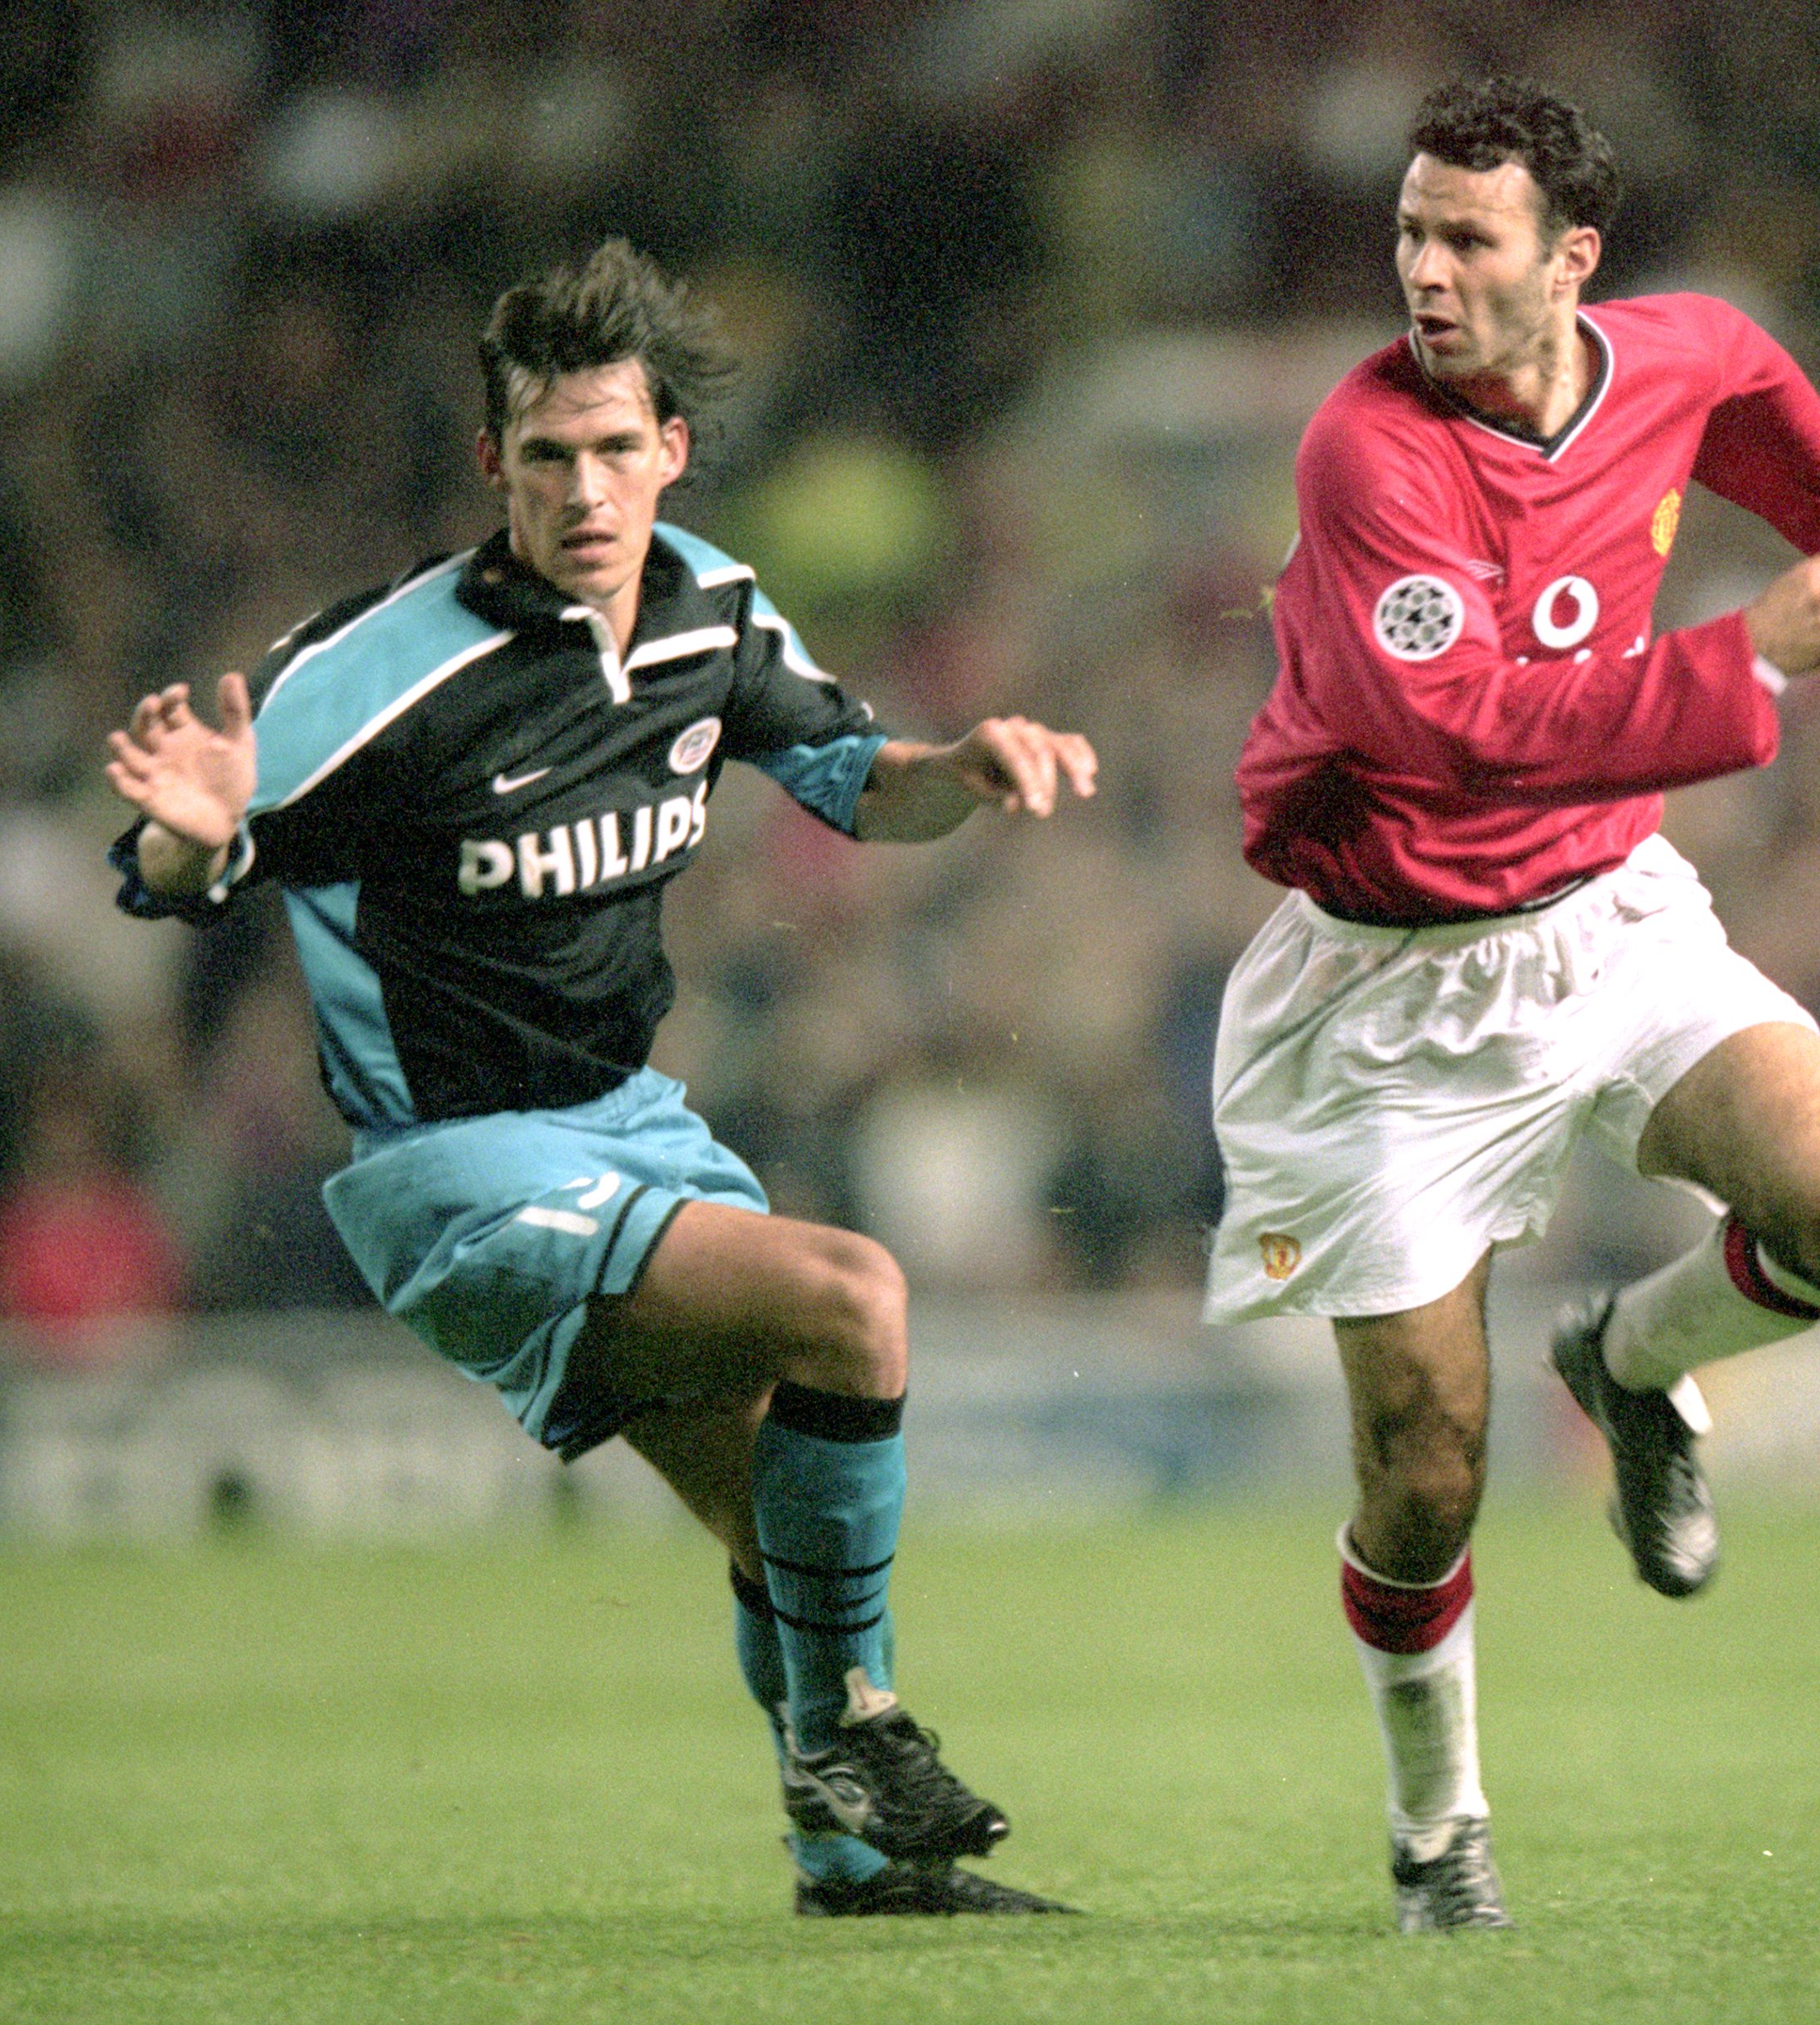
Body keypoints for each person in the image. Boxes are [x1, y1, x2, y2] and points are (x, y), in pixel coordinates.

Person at [103, 242, 1097, 1920]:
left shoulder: (712, 609)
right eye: (546, 453)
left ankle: (847, 1864)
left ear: (673, 451)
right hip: (454, 1167)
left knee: (780, 1523)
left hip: (634, 1130)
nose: (584, 486)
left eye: (615, 448)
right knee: (854, 1300)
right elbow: (175, 864)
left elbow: (861, 782)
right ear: (492, 461)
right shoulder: (379, 675)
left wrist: (968, 772)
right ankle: (858, 1728)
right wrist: (190, 840)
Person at [1206, 79, 1820, 1932]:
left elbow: (1766, 408)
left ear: (1571, 262)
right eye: (1409, 235)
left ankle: (1628, 1360)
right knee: (1427, 1474)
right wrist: (1748, 651)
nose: (1426, 276)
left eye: (1468, 240)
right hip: (1379, 1000)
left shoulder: (1674, 358)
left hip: (1606, 924)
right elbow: (1458, 742)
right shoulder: (1364, 451)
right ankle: (1439, 1824)